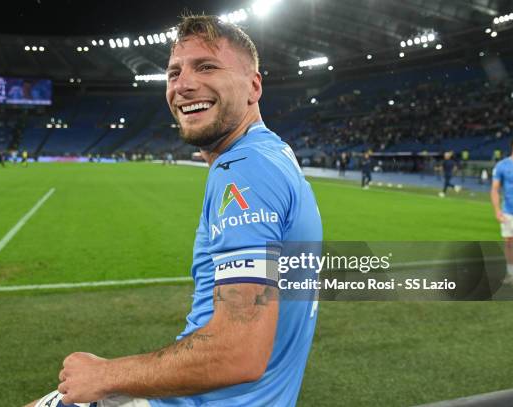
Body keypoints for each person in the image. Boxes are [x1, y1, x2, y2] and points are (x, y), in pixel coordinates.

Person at [26, 15, 322, 407]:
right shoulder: (272, 153)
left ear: (254, 86)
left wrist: (107, 375)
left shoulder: (245, 167)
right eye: (174, 73)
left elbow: (239, 352)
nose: (182, 85)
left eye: (207, 66)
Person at [491, 137, 513, 288]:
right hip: (507, 210)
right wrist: (497, 210)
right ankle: (512, 272)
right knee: (508, 242)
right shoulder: (502, 165)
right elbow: (495, 189)